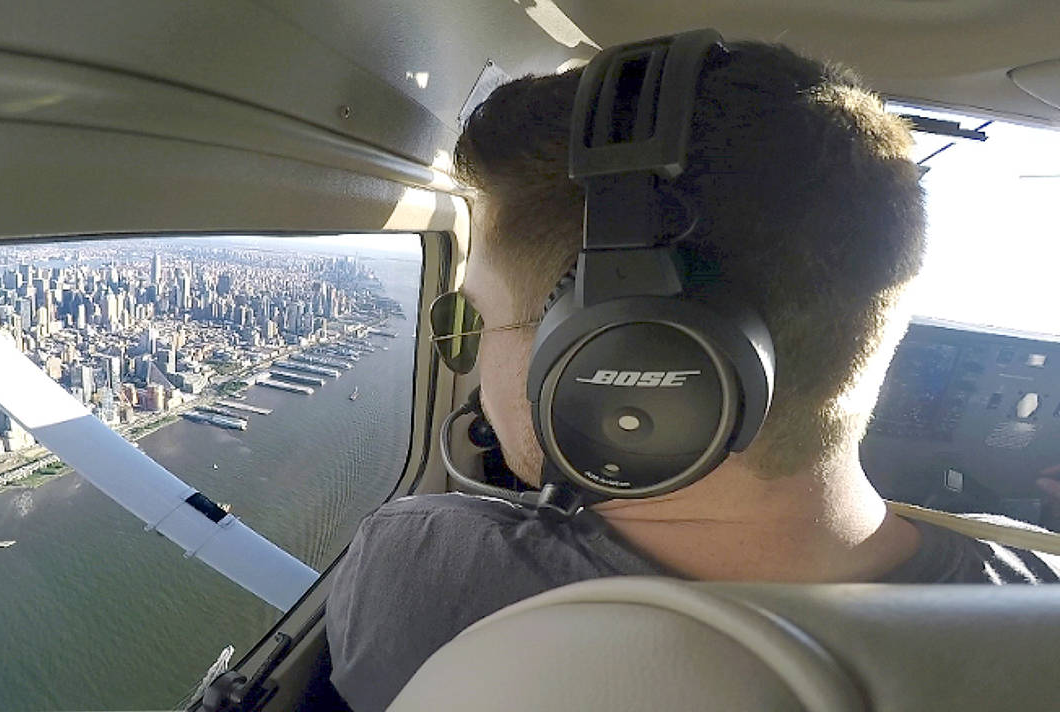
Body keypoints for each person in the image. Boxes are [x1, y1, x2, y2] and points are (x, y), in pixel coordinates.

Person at [326, 40, 1060, 712]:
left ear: (617, 360)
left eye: (471, 322)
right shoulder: (1037, 606)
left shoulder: (421, 568)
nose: (467, 358)